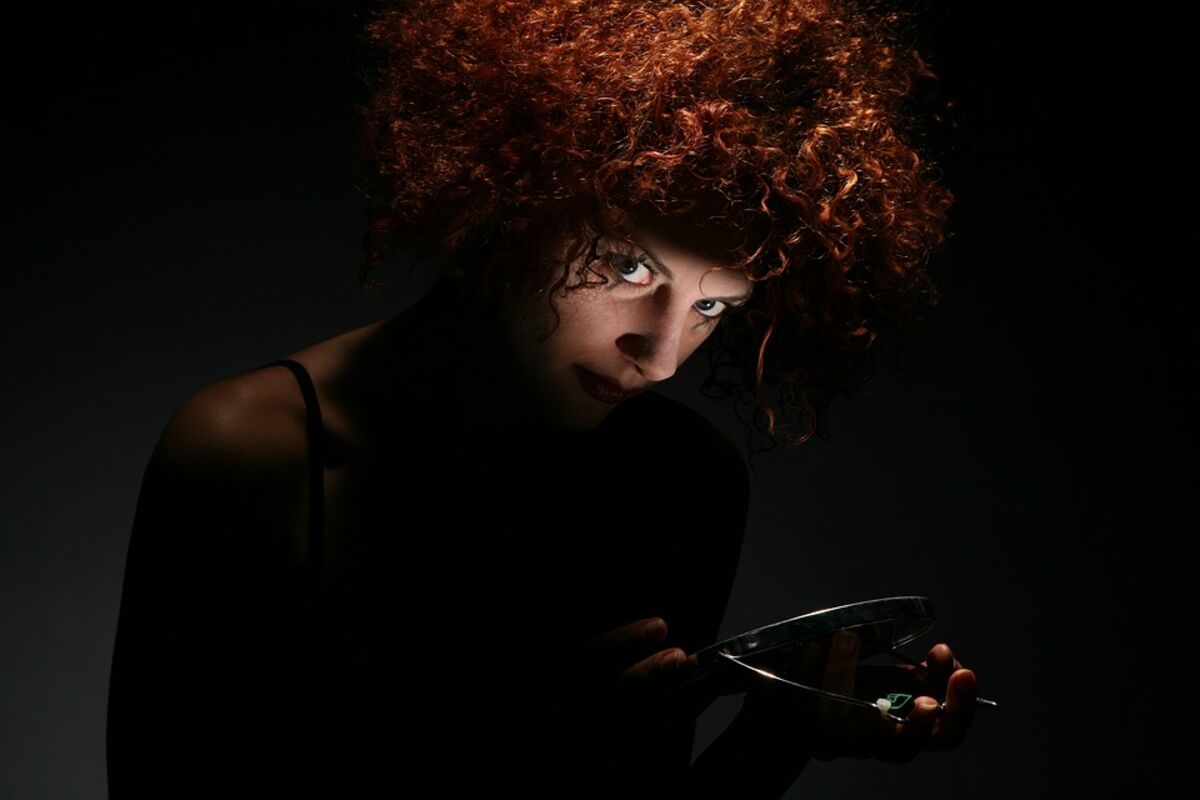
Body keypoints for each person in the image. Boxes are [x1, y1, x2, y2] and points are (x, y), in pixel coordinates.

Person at [106, 1, 977, 797]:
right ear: (518, 200)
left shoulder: (684, 481)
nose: (661, 358)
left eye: (712, 308)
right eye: (628, 267)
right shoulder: (253, 456)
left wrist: (775, 739)